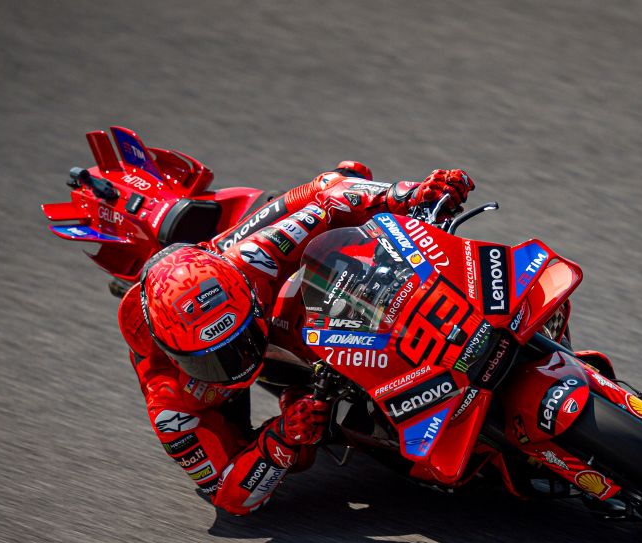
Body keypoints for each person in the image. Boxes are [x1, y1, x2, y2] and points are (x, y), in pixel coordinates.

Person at [116, 164, 475, 515]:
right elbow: (228, 494)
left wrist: (407, 194)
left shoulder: (254, 258)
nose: (238, 362)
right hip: (241, 385)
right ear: (173, 354)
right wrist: (281, 438)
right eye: (210, 360)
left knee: (347, 183)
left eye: (241, 341)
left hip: (268, 293)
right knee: (314, 426)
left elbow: (329, 195)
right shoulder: (169, 402)